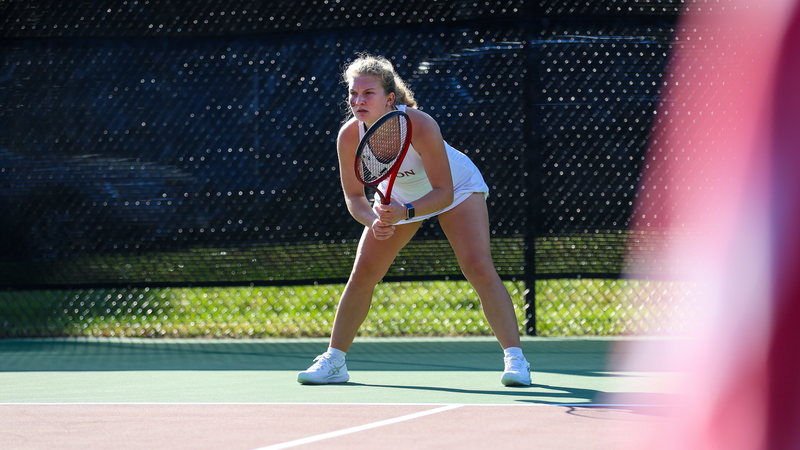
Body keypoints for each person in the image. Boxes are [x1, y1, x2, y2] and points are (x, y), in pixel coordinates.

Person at [297, 54, 531, 387]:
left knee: (477, 266)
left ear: (389, 98)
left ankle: (516, 359)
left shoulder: (420, 125)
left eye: (368, 93)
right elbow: (354, 196)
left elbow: (443, 192)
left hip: (456, 188)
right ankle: (334, 361)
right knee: (363, 272)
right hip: (398, 199)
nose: (358, 100)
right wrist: (373, 220)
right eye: (353, 93)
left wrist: (405, 213)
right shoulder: (349, 136)